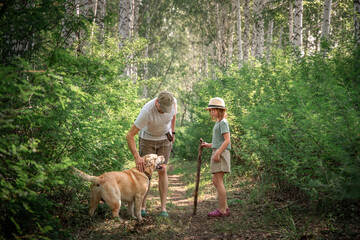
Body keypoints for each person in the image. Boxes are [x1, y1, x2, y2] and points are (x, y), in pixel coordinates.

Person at [126, 90, 177, 218]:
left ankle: (163, 208)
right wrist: (137, 158)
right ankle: (142, 206)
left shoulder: (173, 103)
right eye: (161, 109)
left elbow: (173, 116)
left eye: (166, 109)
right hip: (147, 139)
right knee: (145, 172)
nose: (164, 112)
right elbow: (130, 135)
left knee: (163, 170)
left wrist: (173, 132)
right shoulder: (147, 111)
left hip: (165, 139)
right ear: (156, 102)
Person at [201, 97, 231, 217]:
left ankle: (223, 210)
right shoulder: (218, 122)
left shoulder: (223, 122)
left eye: (214, 110)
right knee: (215, 181)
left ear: (220, 110)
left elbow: (227, 140)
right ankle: (225, 207)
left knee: (218, 181)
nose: (212, 112)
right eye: (211, 110)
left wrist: (218, 153)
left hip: (221, 153)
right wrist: (210, 145)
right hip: (217, 151)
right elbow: (219, 141)